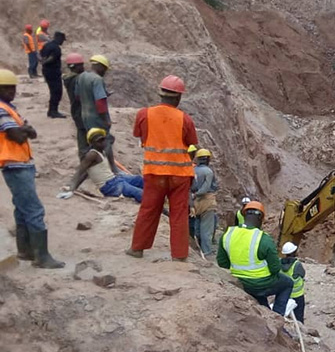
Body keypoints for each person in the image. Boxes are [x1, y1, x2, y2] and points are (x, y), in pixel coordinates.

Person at [126, 75, 198, 260]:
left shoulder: (144, 114)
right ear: (179, 97)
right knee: (179, 214)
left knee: (148, 209)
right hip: (180, 174)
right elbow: (191, 143)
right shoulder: (185, 119)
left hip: (154, 173)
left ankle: (137, 248)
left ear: (160, 94)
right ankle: (180, 255)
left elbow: (139, 135)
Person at [0, 69, 64, 268]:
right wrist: (24, 130)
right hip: (14, 164)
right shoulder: (2, 110)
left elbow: (30, 133)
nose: (12, 92)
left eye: (13, 88)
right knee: (34, 209)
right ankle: (41, 257)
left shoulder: (10, 108)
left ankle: (25, 250)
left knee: (22, 208)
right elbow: (19, 136)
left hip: (19, 163)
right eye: (7, 88)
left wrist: (24, 130)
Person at [217, 201, 294, 317]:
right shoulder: (263, 239)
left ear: (244, 215)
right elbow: (275, 269)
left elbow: (222, 262)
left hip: (239, 280)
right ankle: (277, 316)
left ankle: (265, 310)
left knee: (262, 301)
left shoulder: (228, 233)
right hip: (260, 284)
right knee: (287, 283)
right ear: (260, 219)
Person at [60, 128, 144, 203]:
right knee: (138, 192)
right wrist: (71, 189)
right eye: (99, 141)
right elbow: (80, 171)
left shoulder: (101, 152)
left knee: (140, 180)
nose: (102, 143)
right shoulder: (92, 154)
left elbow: (85, 173)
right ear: (92, 143)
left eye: (103, 140)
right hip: (109, 185)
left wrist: (73, 188)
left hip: (115, 180)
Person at [75, 55, 117, 171]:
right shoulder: (97, 79)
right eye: (105, 69)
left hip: (85, 115)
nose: (105, 72)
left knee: (90, 141)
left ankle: (88, 166)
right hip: (96, 117)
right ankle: (112, 168)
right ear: (99, 66)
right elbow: (100, 102)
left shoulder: (82, 76)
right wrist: (105, 119)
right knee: (105, 140)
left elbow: (78, 96)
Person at [191, 148, 218, 255]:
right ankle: (206, 251)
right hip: (207, 201)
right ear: (208, 159)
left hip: (194, 202)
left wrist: (193, 195)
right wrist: (197, 194)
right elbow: (206, 188)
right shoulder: (208, 172)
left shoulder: (193, 170)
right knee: (206, 229)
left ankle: (198, 249)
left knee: (197, 226)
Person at [62, 53, 86, 159]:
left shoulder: (69, 79)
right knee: (84, 134)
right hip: (80, 109)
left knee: (82, 133)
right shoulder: (76, 80)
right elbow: (79, 96)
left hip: (76, 110)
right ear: (74, 66)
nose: (83, 67)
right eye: (80, 65)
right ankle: (85, 158)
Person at [40, 31, 66, 119]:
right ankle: (53, 111)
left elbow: (41, 55)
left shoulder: (46, 45)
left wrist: (43, 63)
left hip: (46, 71)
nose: (63, 42)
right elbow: (51, 58)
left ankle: (51, 111)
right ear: (59, 38)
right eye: (62, 39)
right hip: (53, 72)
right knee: (57, 92)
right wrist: (45, 63)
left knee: (53, 91)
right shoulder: (56, 48)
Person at [279, 241, 306, 323]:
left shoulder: (279, 262)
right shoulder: (297, 264)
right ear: (294, 252)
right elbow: (302, 274)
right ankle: (301, 329)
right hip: (297, 295)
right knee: (299, 316)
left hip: (284, 293)